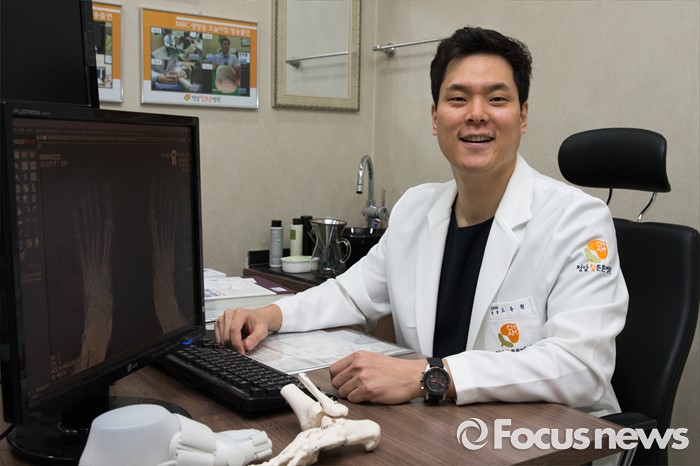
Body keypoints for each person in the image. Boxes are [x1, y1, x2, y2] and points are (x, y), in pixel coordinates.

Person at [215, 27, 628, 416]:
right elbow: (351, 295)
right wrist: (270, 315)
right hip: (441, 428)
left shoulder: (577, 220)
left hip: (545, 438)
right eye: (458, 98)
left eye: (497, 99)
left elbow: (582, 367)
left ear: (522, 116)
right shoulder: (416, 207)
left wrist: (428, 376)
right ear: (435, 118)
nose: (477, 114)